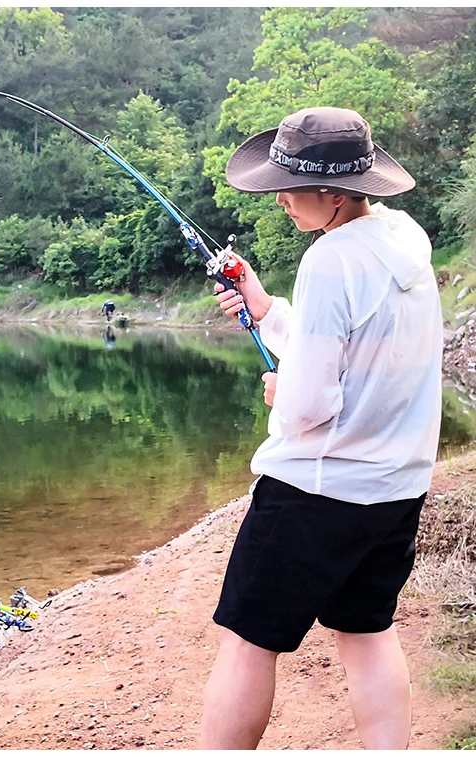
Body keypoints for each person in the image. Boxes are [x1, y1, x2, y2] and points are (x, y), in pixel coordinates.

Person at [200, 107, 442, 749]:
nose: (279, 200)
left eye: (288, 186)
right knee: (367, 632)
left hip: (314, 493)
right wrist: (265, 306)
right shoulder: (403, 239)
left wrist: (281, 394)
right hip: (393, 493)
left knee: (247, 642)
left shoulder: (331, 259)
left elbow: (307, 404)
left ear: (333, 193)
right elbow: (362, 351)